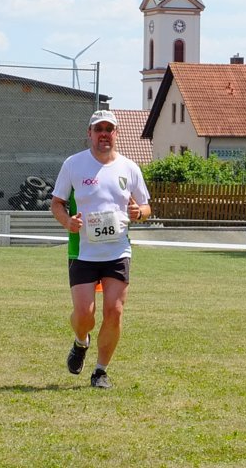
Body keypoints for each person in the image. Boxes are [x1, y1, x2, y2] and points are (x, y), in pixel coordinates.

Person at [50, 110, 151, 389]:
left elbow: (145, 206)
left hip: (117, 251)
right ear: (90, 133)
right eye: (99, 129)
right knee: (84, 315)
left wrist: (138, 213)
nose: (104, 133)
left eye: (109, 129)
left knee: (115, 311)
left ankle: (100, 371)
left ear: (116, 134)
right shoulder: (73, 164)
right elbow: (56, 203)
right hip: (83, 251)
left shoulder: (130, 168)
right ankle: (81, 341)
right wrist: (67, 221)